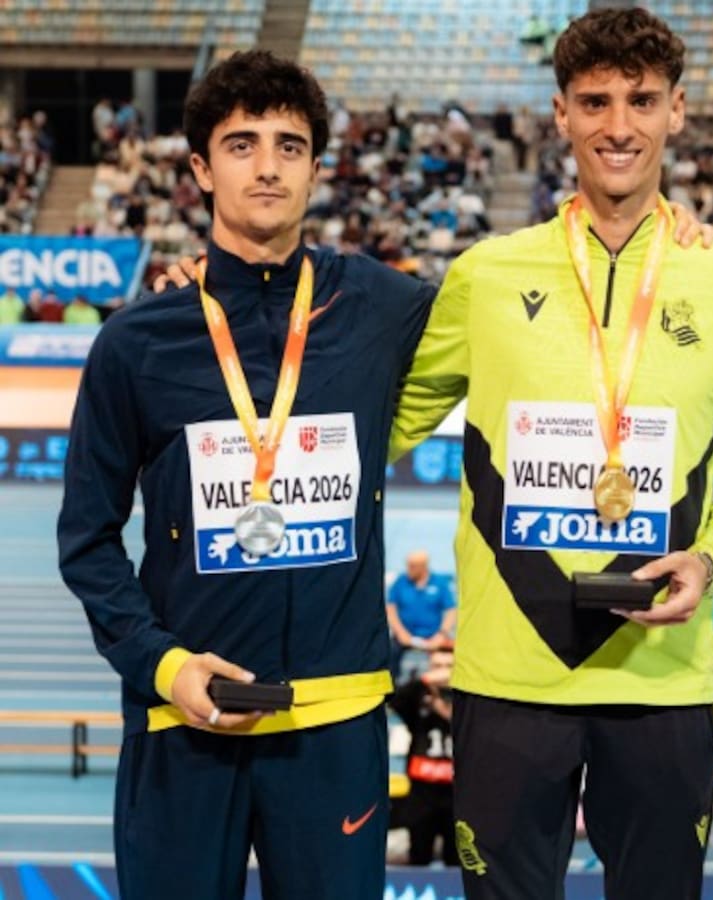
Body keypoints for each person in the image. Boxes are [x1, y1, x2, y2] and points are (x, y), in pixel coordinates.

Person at [389, 9, 713, 899]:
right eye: (595, 101)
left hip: (663, 678)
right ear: (560, 114)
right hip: (509, 679)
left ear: (677, 111)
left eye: (641, 101)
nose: (619, 126)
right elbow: (376, 422)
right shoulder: (487, 274)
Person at [57, 51, 437, 900]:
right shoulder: (136, 342)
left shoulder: (384, 306)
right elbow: (86, 541)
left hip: (333, 728)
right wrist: (163, 665)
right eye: (241, 144)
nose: (267, 165)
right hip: (183, 721)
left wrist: (668, 228)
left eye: (290, 145)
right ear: (199, 168)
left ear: (317, 166)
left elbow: (525, 300)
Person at [387, 644, 457, 867]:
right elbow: (395, 700)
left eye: (448, 666)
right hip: (421, 793)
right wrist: (427, 681)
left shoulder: (468, 700)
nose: (443, 672)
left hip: (458, 794)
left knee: (459, 862)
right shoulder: (418, 699)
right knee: (419, 855)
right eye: (437, 665)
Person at [386, 549, 456, 680]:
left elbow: (451, 611)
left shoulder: (439, 583)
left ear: (423, 566)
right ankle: (392, 692)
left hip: (434, 636)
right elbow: (391, 609)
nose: (409, 569)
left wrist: (442, 634)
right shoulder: (400, 582)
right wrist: (400, 632)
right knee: (388, 653)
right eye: (408, 565)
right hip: (405, 636)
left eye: (412, 566)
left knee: (454, 656)